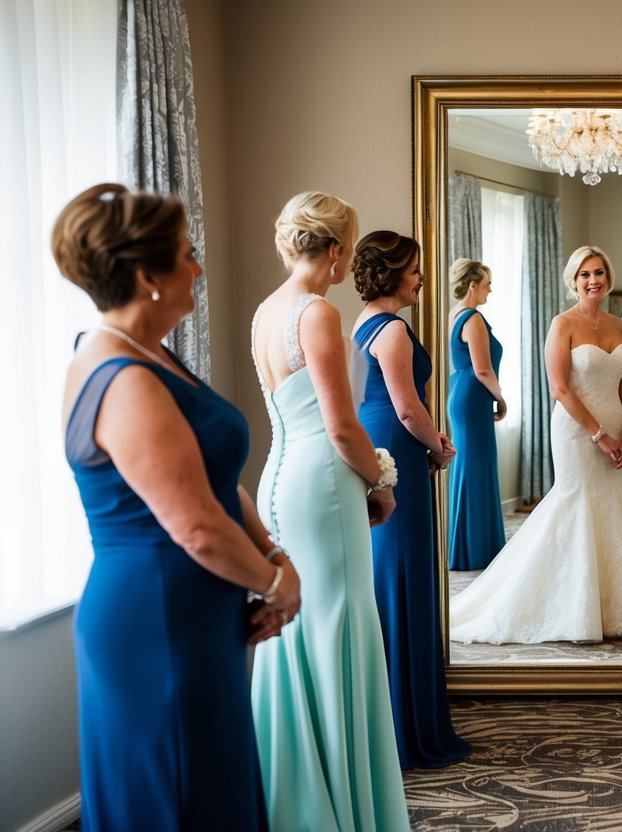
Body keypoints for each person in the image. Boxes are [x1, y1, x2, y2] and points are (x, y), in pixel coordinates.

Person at [55, 183, 301, 830]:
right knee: (182, 796)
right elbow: (195, 527)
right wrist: (276, 585)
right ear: (148, 279)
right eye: (188, 254)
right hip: (157, 621)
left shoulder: (146, 353)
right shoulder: (125, 380)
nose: (199, 268)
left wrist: (272, 553)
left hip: (193, 611)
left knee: (209, 785)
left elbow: (214, 484)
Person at [249, 195, 410, 830]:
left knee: (297, 629)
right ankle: (341, 803)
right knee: (337, 624)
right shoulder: (316, 312)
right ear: (338, 250)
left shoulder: (266, 310)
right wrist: (382, 482)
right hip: (323, 481)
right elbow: (342, 428)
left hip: (280, 477)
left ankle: (295, 797)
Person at [448, 245, 622, 644]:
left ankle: (616, 604)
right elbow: (560, 388)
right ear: (573, 281)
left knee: (614, 507)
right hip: (577, 431)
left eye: (599, 273)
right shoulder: (562, 323)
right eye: (584, 275)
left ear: (608, 277)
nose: (594, 280)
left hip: (617, 429)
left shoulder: (615, 324)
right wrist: (600, 434)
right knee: (576, 505)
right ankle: (571, 605)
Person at [352, 231, 470, 770]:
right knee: (403, 575)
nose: (422, 278)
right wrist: (438, 446)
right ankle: (407, 724)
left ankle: (390, 716)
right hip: (397, 447)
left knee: (389, 574)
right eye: (416, 269)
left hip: (380, 444)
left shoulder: (362, 323)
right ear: (394, 272)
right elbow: (406, 406)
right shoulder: (394, 328)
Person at [446, 257, 507, 571]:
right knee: (477, 467)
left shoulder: (454, 314)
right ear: (472, 285)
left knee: (470, 467)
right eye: (487, 284)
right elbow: (483, 370)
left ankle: (467, 546)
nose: (490, 289)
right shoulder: (473, 319)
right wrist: (501, 398)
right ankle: (475, 550)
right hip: (473, 396)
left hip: (461, 393)